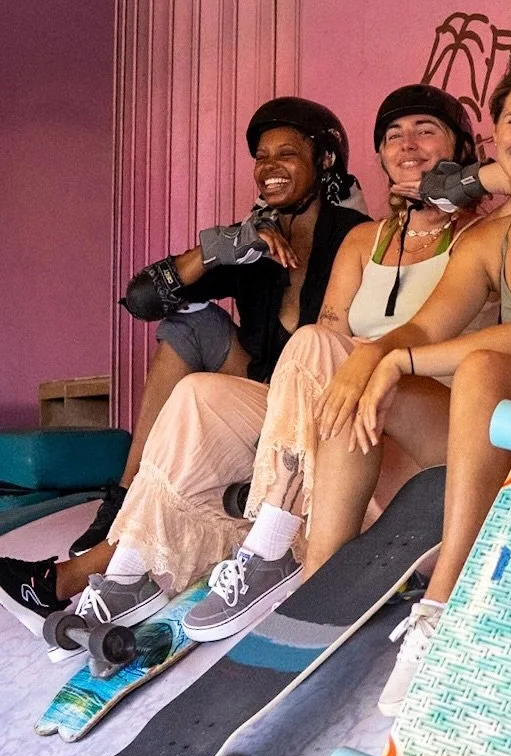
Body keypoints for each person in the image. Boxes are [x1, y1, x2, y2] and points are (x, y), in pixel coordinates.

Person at [305, 52, 511, 713]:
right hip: (501, 436)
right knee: (374, 380)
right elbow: (424, 329)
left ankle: (443, 605)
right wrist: (372, 358)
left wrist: (399, 360)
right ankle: (318, 586)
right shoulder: (489, 237)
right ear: (496, 132)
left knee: (480, 366)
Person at [0, 97, 366, 641]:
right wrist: (224, 248)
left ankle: (89, 567)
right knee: (187, 327)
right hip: (255, 397)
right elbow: (142, 298)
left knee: (300, 349)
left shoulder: (354, 235)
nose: (269, 167)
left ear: (326, 160)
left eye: (287, 153)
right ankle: (123, 506)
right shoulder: (254, 245)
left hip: (316, 405)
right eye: (261, 157)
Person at [179, 83, 487, 639]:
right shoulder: (365, 240)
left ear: (463, 148)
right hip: (355, 449)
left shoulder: (489, 236)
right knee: (201, 393)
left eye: (426, 131)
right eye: (393, 135)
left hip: (440, 441)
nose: (408, 145)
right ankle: (132, 567)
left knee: (321, 348)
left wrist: (466, 186)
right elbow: (330, 341)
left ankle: (276, 545)